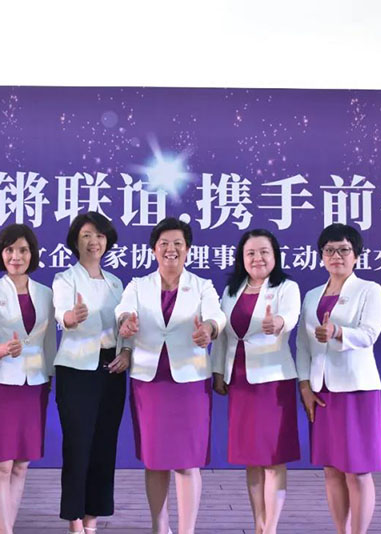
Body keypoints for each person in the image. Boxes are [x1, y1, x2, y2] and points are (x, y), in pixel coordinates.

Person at [115, 217, 226, 534]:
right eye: (164, 243)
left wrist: (208, 329)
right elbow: (123, 310)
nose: (171, 249)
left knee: (187, 462)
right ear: (154, 250)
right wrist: (125, 322)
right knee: (155, 460)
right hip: (149, 383)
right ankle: (159, 527)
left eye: (178, 243)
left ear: (188, 249)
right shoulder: (139, 285)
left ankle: (186, 530)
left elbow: (216, 315)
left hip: (190, 382)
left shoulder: (202, 286)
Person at [296, 223, 381, 534]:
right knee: (331, 469)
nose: (336, 256)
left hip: (355, 390)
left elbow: (369, 334)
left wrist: (337, 332)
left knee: (357, 471)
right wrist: (304, 385)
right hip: (322, 392)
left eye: (344, 250)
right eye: (329, 250)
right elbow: (303, 344)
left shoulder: (369, 290)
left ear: (356, 255)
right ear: (321, 256)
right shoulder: (311, 296)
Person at [211, 229, 301, 534]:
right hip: (240, 382)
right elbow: (223, 335)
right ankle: (258, 525)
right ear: (242, 258)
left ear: (275, 256)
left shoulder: (287, 287)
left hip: (273, 382)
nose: (257, 258)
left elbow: (291, 316)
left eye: (264, 252)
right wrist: (218, 371)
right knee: (251, 458)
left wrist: (278, 323)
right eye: (250, 253)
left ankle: (271, 528)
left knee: (273, 458)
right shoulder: (231, 290)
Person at [0, 224, 57, 534]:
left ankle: (8, 526)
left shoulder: (46, 294)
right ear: (1, 253)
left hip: (33, 386)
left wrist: (49, 376)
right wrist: (1, 349)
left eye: (23, 250)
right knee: (1, 465)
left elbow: (49, 344)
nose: (16, 256)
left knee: (21, 464)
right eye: (9, 250)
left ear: (32, 254)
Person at [52, 212, 130, 534]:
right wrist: (71, 317)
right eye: (86, 235)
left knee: (104, 445)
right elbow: (61, 314)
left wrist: (126, 351)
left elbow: (126, 325)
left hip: (112, 369)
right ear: (75, 241)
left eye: (99, 235)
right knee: (77, 445)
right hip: (76, 370)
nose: (93, 241)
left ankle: (92, 519)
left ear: (107, 241)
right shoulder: (65, 279)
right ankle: (74, 519)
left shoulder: (116, 283)